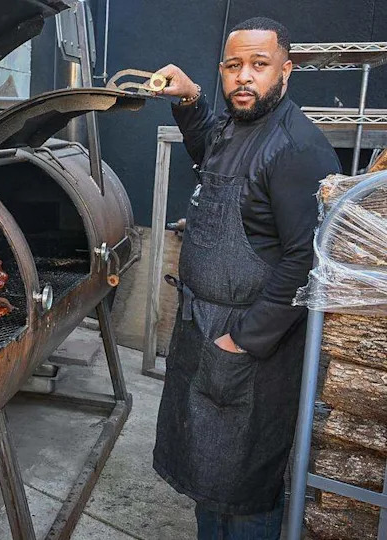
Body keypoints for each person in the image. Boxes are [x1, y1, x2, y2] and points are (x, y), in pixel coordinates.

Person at [151, 17, 341, 539]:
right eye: (233, 66)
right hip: (204, 329)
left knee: (246, 484)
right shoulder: (236, 125)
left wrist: (243, 340)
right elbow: (209, 150)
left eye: (259, 64)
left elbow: (306, 260)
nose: (244, 77)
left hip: (252, 348)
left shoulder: (297, 149)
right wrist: (190, 99)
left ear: (286, 70)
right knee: (208, 471)